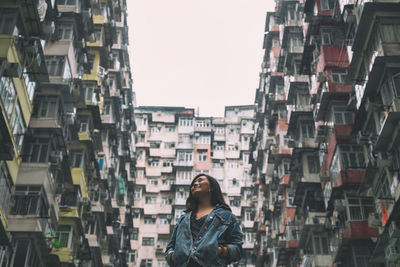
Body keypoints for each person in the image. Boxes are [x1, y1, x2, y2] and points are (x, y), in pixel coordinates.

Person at [165, 174, 243, 267]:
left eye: (200, 180)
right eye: (193, 183)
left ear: (211, 187)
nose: (195, 184)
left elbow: (238, 250)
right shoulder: (183, 218)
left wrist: (219, 250)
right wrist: (174, 256)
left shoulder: (226, 216)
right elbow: (171, 247)